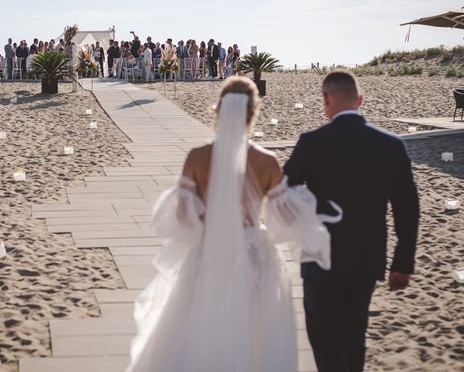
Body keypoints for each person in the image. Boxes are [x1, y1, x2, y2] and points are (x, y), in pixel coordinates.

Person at [128, 76, 338, 371]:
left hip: (209, 248)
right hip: (254, 253)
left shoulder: (197, 157)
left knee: (201, 324)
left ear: (219, 110)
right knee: (253, 329)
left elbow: (180, 217)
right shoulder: (267, 161)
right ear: (253, 112)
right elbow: (285, 217)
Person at [284, 70, 420, 372]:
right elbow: (407, 208)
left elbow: (283, 192)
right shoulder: (392, 145)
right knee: (354, 335)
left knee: (323, 338)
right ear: (360, 100)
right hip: (366, 259)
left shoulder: (311, 142)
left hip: (321, 258)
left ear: (326, 99)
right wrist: (403, 262)